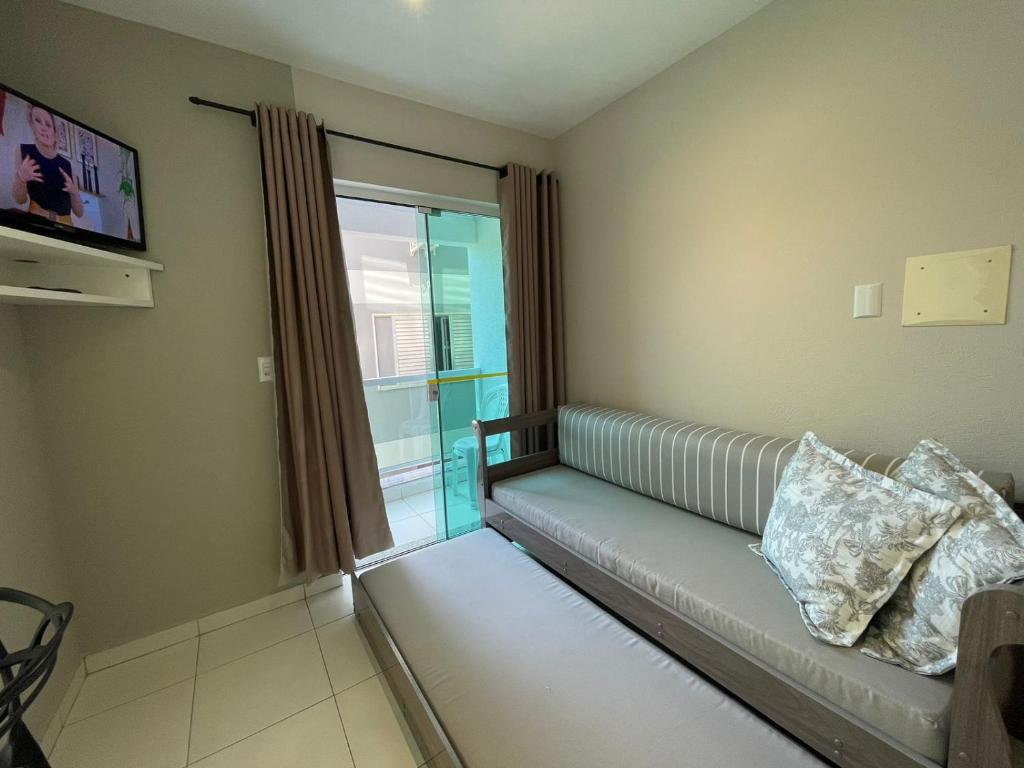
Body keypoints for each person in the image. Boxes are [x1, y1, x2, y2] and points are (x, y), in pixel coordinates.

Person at [10, 105, 83, 225]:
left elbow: (79, 212)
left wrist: (75, 194)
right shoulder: (24, 151)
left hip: (65, 229)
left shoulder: (67, 165)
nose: (43, 128)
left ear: (54, 131)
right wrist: (21, 180)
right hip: (36, 225)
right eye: (37, 121)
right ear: (32, 126)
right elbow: (20, 200)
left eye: (48, 124)